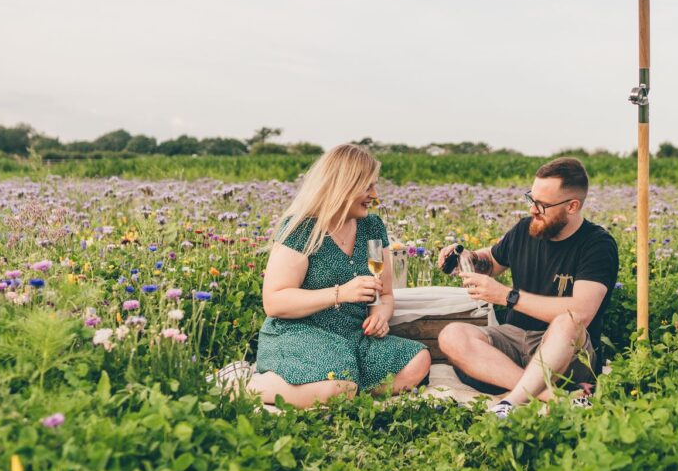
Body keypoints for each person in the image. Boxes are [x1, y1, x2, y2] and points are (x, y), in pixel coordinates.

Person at [214, 144, 430, 408]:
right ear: (343, 185)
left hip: (353, 336)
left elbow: (384, 294)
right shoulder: (303, 229)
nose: (375, 195)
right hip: (300, 333)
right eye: (367, 187)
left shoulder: (372, 227)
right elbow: (275, 301)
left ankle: (340, 390)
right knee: (339, 385)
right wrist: (340, 293)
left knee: (418, 360)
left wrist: (379, 317)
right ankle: (245, 385)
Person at [437, 157, 619, 417]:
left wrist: (507, 296)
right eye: (531, 199)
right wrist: (465, 258)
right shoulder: (526, 229)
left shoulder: (597, 244)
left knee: (569, 320)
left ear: (572, 206)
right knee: (451, 335)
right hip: (515, 338)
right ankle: (549, 396)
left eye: (542, 205)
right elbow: (490, 262)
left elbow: (582, 311)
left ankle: (509, 404)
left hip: (565, 349)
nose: (533, 210)